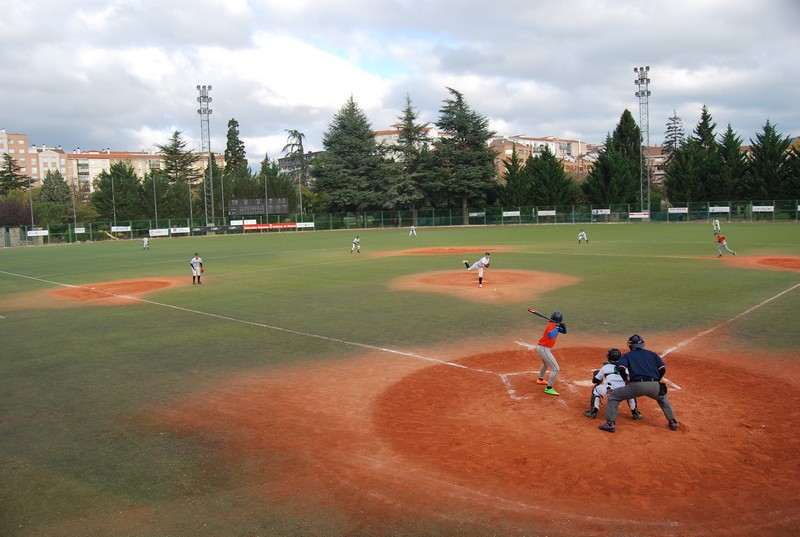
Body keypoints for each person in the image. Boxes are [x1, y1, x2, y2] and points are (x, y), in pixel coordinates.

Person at [598, 334, 679, 433]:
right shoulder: (653, 354)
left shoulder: (627, 355)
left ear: (631, 345)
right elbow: (662, 369)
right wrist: (657, 380)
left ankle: (610, 424)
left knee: (614, 397)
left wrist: (627, 381)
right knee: (663, 399)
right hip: (654, 385)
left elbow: (621, 369)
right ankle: (673, 422)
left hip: (636, 386)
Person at [584, 348, 641, 420]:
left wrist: (598, 374)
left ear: (608, 357)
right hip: (623, 392)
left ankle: (593, 412)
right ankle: (635, 413)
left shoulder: (605, 367)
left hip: (611, 392)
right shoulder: (625, 367)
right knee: (630, 390)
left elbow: (595, 381)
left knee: (596, 389)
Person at [534, 310, 567, 396]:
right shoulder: (551, 325)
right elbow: (551, 335)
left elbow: (564, 332)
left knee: (546, 364)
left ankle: (540, 379)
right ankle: (549, 388)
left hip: (543, 348)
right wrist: (557, 327)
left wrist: (563, 327)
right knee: (556, 369)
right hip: (544, 349)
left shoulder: (554, 325)